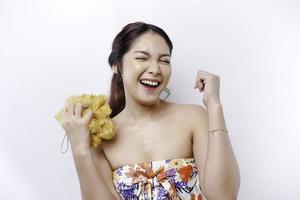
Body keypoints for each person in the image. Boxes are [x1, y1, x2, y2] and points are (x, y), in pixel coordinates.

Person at [61, 22, 240, 200]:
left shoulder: (194, 117)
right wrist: (80, 149)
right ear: (117, 65)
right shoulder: (102, 136)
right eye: (142, 58)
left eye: (164, 60)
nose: (155, 69)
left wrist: (214, 105)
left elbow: (224, 196)